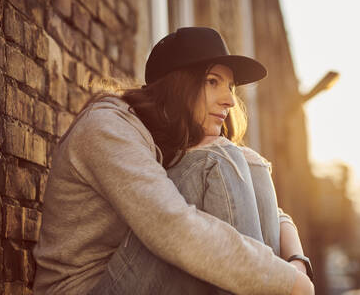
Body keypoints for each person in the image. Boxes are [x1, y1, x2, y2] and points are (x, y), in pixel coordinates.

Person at [33, 27, 314, 294]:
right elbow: (171, 228)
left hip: (135, 275)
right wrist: (284, 282)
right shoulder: (107, 127)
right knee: (221, 158)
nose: (229, 99)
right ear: (177, 85)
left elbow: (274, 211)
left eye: (230, 86)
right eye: (213, 82)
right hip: (90, 288)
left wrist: (297, 264)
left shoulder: (171, 139)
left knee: (247, 162)